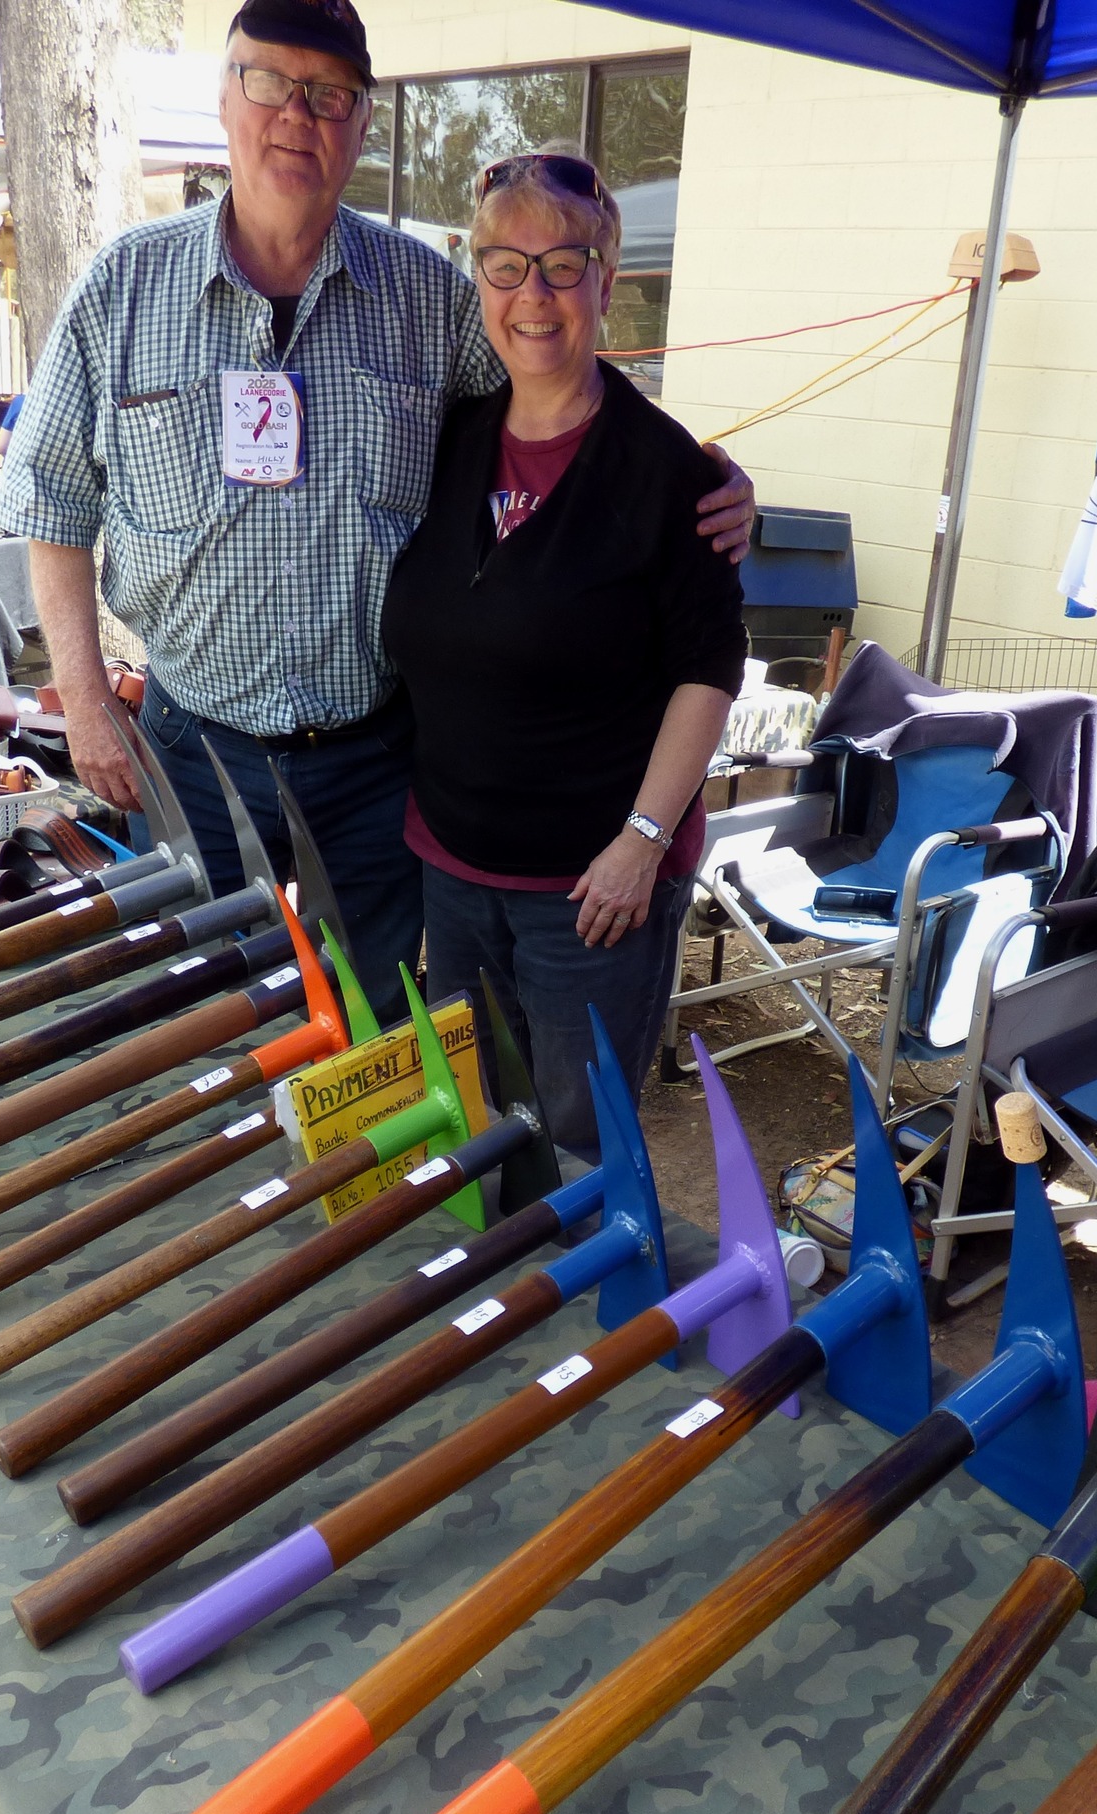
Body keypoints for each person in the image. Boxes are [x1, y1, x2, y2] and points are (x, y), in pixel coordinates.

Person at [0, 0, 752, 1023]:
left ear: (360, 124)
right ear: (225, 97)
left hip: (370, 767)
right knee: (204, 1026)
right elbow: (53, 504)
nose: (296, 116)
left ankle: (364, 1186)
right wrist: (83, 699)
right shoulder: (122, 288)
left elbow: (553, 388)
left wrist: (697, 473)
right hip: (190, 753)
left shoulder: (427, 298)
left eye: (329, 95)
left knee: (377, 1040)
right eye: (269, 82)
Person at [381, 154, 744, 1153]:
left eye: (561, 265)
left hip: (591, 893)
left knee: (581, 1141)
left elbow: (707, 668)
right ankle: (491, 1300)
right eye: (505, 266)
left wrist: (639, 839)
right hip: (450, 869)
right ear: (477, 279)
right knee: (477, 1122)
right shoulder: (448, 438)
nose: (531, 295)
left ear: (605, 284)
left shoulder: (669, 473)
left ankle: (584, 1303)